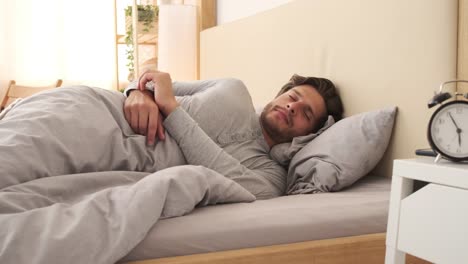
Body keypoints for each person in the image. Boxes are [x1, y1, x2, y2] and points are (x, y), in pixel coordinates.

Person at [123, 71, 343, 199]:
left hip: (125, 158)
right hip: (110, 112)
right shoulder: (233, 88)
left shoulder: (272, 178)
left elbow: (215, 170)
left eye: (306, 113)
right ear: (280, 94)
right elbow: (153, 79)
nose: (292, 107)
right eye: (293, 96)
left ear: (309, 135)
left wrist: (170, 108)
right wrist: (138, 92)